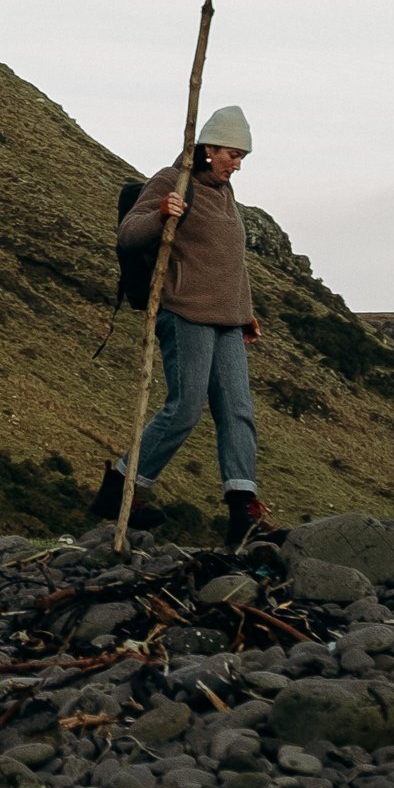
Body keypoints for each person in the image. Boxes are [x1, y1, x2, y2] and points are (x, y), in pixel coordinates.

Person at [101, 103, 274, 551]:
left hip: (228, 320)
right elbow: (128, 233)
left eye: (242, 158)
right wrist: (162, 213)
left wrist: (245, 311)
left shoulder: (226, 193)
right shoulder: (172, 180)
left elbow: (229, 260)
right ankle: (122, 485)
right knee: (186, 407)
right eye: (232, 155)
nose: (236, 165)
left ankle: (243, 508)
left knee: (238, 410)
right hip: (184, 313)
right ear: (207, 148)